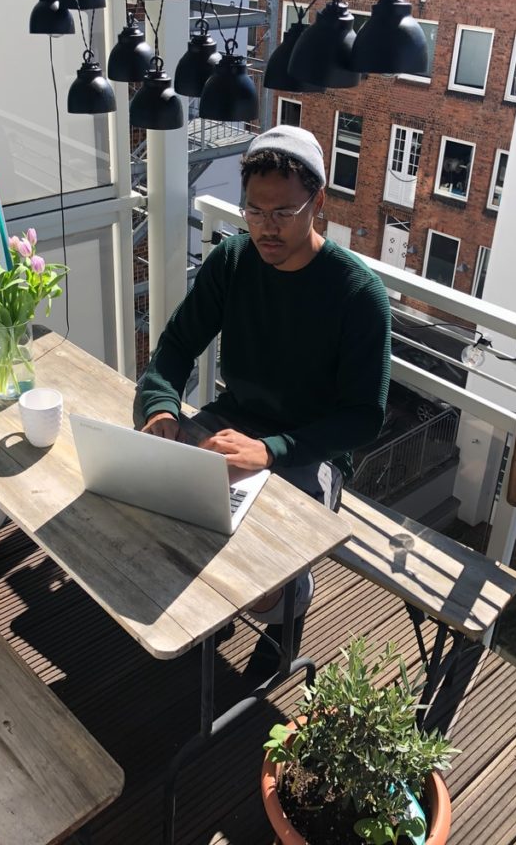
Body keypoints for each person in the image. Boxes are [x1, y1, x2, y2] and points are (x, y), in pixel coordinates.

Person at [136, 124, 391, 673]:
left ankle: (285, 617)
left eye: (283, 213)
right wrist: (160, 407)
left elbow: (364, 417)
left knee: (262, 570)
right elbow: (176, 347)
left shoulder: (356, 294)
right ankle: (216, 607)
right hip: (233, 421)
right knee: (166, 504)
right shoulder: (232, 262)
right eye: (254, 211)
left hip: (309, 449)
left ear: (318, 202)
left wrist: (270, 450)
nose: (266, 228)